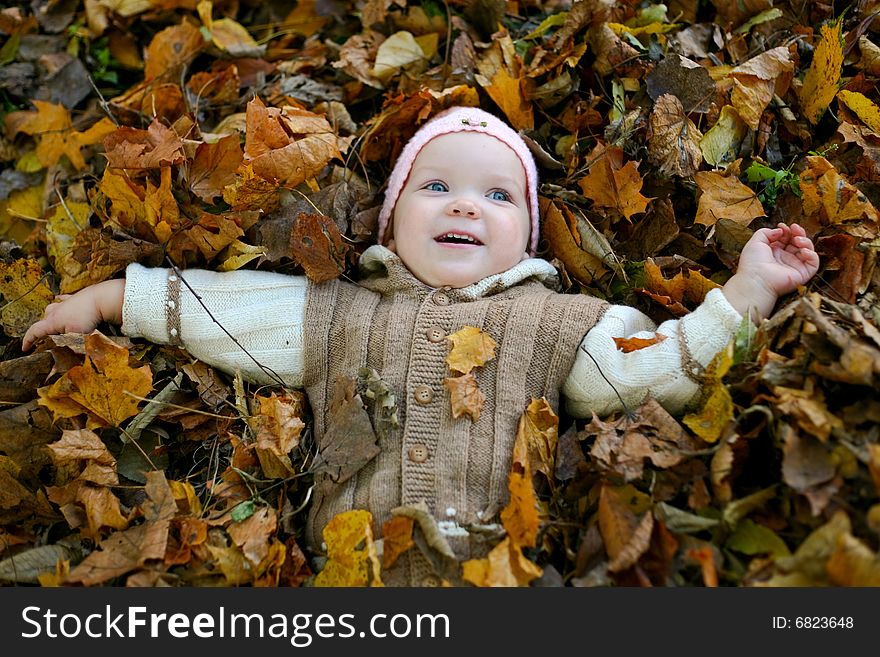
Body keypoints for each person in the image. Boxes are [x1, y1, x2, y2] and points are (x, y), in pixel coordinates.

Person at [22, 106, 820, 586]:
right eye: (435, 186)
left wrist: (747, 291)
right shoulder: (339, 313)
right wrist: (109, 299)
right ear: (391, 221)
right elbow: (224, 311)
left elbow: (657, 364)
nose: (464, 205)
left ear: (529, 234)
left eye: (497, 194)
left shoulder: (554, 321)